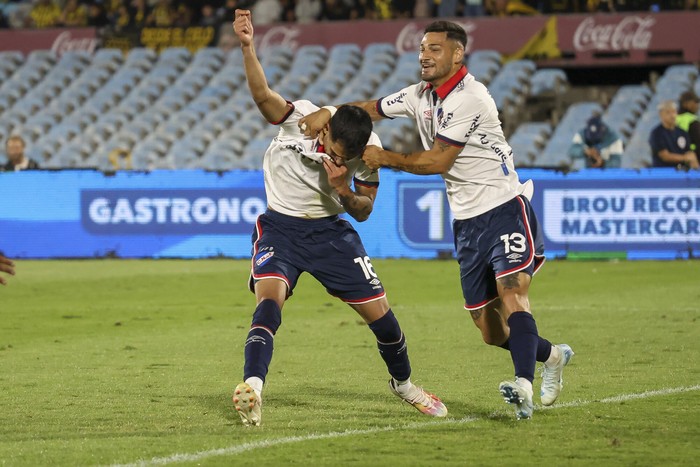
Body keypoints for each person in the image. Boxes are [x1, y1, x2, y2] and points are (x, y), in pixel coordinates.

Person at [300, 20, 573, 420]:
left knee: (513, 292)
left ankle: (523, 386)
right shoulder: (419, 95)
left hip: (503, 207)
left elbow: (438, 160)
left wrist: (386, 158)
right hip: (466, 223)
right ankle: (551, 356)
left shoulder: (471, 97)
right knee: (490, 331)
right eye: (422, 49)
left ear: (457, 54)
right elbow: (370, 109)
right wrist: (329, 110)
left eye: (434, 49)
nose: (424, 55)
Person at [231, 9, 447, 427]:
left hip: (331, 235)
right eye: (333, 148)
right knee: (269, 302)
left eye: (344, 157)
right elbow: (263, 97)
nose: (335, 157)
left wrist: (343, 189)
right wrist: (247, 45)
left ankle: (404, 386)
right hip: (281, 228)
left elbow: (364, 212)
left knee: (383, 320)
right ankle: (252, 389)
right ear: (326, 130)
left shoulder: (368, 155)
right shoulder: (302, 120)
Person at [649, 100, 699, 169]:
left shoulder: (682, 132)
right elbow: (665, 156)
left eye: (674, 112)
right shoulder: (657, 133)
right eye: (668, 113)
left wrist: (695, 165)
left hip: (682, 172)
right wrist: (684, 158)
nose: (672, 115)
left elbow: (689, 153)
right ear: (661, 115)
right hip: (663, 173)